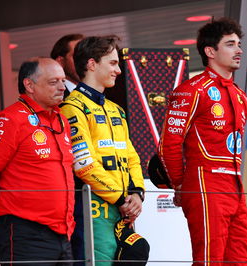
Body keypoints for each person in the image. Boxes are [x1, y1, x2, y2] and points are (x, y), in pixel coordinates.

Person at [158, 18, 247, 265]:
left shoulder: (240, 96)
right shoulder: (191, 90)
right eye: (230, 44)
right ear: (210, 51)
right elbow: (169, 143)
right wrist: (180, 184)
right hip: (205, 183)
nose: (239, 50)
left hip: (236, 185)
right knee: (209, 259)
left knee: (240, 258)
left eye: (239, 44)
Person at [60, 35, 145, 266]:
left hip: (121, 208)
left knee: (137, 252)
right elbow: (84, 165)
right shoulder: (72, 108)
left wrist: (137, 193)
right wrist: (122, 198)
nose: (118, 70)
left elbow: (131, 158)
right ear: (91, 64)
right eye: (113, 63)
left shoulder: (116, 110)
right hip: (94, 208)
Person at [0, 57, 75, 264]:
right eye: (53, 82)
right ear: (29, 85)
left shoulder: (61, 119)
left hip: (63, 233)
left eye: (63, 81)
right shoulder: (10, 119)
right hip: (25, 233)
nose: (62, 87)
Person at [51, 34, 84, 98]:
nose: (85, 61)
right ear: (60, 62)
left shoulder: (100, 92)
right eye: (77, 56)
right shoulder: (53, 97)